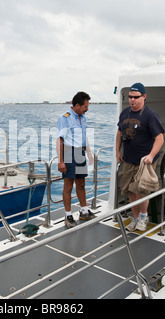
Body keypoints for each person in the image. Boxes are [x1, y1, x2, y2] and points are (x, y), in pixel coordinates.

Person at [116, 83, 164, 232]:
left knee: (141, 191)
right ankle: (135, 218)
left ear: (144, 97)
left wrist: (151, 155)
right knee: (130, 191)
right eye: (130, 97)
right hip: (128, 159)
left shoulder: (150, 115)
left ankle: (144, 217)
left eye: (136, 97)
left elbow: (160, 138)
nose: (132, 100)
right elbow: (119, 132)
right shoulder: (124, 113)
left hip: (145, 162)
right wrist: (117, 151)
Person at [57, 92, 95, 228]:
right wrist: (61, 161)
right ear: (77, 105)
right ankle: (68, 215)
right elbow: (60, 140)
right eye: (85, 106)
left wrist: (89, 154)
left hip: (80, 152)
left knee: (81, 183)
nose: (87, 109)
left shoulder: (82, 117)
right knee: (68, 185)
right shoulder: (65, 118)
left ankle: (84, 211)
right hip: (69, 151)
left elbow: (84, 136)